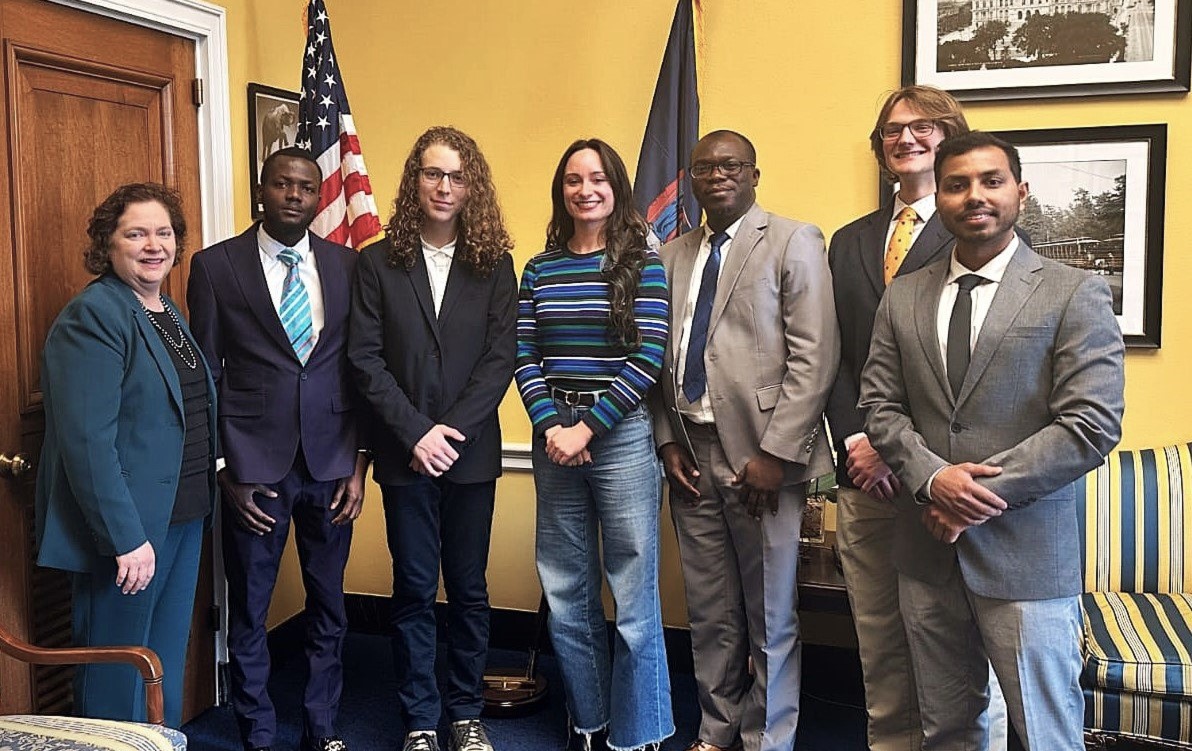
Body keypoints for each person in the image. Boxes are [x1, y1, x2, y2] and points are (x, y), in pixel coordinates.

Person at [859, 131, 1125, 750]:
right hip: (926, 555)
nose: (974, 195)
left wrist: (967, 496)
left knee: (1044, 732)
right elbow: (879, 406)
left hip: (1025, 554)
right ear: (939, 198)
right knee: (947, 729)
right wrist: (933, 481)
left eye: (991, 181)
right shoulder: (903, 295)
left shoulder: (1073, 291)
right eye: (956, 185)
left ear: (1021, 193)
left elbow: (1090, 423)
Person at [650, 130, 839, 751]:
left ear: (754, 174)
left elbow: (815, 356)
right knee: (709, 610)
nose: (718, 175)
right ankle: (716, 727)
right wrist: (666, 441)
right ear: (692, 180)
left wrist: (776, 455)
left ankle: (766, 739)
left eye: (731, 165)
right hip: (690, 453)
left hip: (762, 458)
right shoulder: (671, 254)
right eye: (705, 168)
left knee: (769, 612)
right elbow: (657, 357)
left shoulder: (793, 240)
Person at [188, 147, 368, 751]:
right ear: (260, 191)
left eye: (307, 187)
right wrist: (223, 467)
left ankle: (322, 727)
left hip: (332, 464)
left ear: (319, 198)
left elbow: (360, 368)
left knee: (329, 605)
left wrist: (358, 463)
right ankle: (257, 732)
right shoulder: (215, 267)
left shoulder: (348, 266)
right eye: (282, 184)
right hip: (252, 469)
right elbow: (206, 373)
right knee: (250, 607)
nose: (295, 195)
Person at [826, 85, 988, 751]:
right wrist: (856, 438)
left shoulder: (974, 232)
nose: (906, 138)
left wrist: (900, 451)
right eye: (893, 129)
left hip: (938, 474)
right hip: (862, 475)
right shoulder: (850, 241)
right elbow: (834, 354)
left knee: (951, 643)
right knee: (879, 641)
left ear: (949, 137)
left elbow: (974, 364)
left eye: (923, 127)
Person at [348, 126, 517, 751]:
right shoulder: (377, 262)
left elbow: (500, 359)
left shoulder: (494, 264)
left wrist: (452, 433)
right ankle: (420, 719)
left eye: (456, 176)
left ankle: (466, 714)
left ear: (472, 187)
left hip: (471, 458)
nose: (444, 187)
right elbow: (365, 359)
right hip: (405, 456)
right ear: (413, 181)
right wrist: (417, 433)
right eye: (432, 173)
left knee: (469, 590)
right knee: (415, 589)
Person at [36, 182, 217, 727]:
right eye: (135, 234)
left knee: (160, 665)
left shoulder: (164, 309)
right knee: (116, 674)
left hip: (182, 515)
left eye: (163, 233)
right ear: (107, 243)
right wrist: (125, 538)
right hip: (130, 534)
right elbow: (87, 442)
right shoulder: (93, 315)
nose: (153, 245)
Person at [515, 138, 673, 751]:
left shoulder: (644, 264)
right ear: (561, 191)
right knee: (566, 590)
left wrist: (588, 428)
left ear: (617, 188)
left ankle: (638, 734)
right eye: (574, 180)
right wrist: (553, 425)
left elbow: (648, 357)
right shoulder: (539, 268)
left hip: (620, 436)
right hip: (554, 437)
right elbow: (525, 355)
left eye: (598, 179)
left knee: (632, 592)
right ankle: (590, 723)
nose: (586, 190)